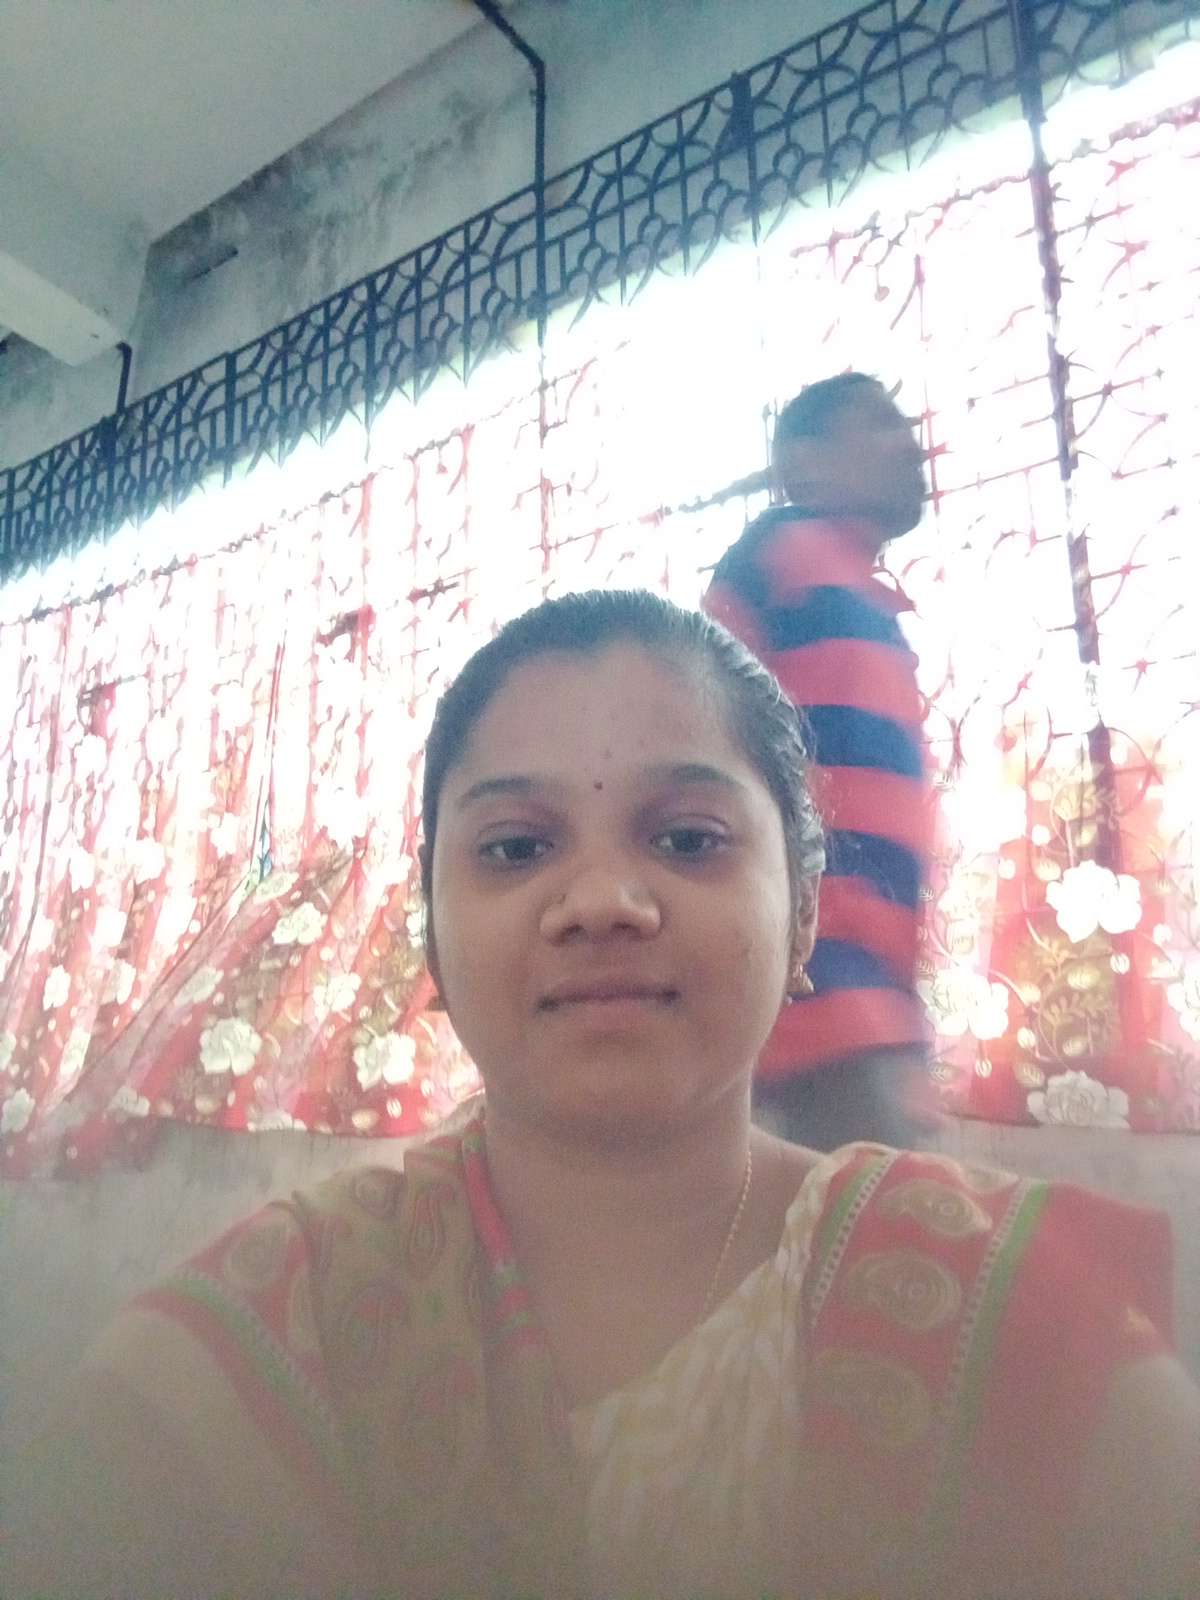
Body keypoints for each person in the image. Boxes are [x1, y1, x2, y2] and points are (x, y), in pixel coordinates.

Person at [7, 590, 1196, 1600]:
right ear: (435, 937)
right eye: (516, 848)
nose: (602, 902)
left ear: (804, 914)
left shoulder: (999, 1318)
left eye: (687, 838)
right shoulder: (277, 1328)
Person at [704, 372, 935, 1151]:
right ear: (803, 462)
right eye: (879, 424)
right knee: (886, 1211)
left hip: (872, 989)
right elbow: (705, 731)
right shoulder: (779, 556)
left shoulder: (870, 602)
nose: (909, 443)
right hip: (815, 981)